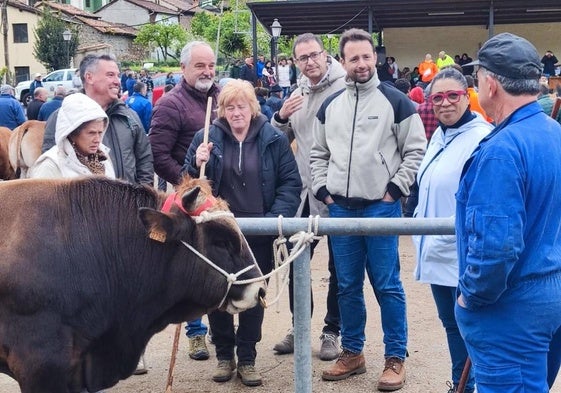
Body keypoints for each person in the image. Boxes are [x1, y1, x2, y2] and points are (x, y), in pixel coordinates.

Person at [311, 28, 426, 391]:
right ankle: (353, 352)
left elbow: (415, 150)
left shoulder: (396, 101)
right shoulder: (330, 106)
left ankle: (395, 357)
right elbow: (318, 154)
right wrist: (324, 192)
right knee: (346, 285)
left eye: (366, 56)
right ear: (342, 62)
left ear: (374, 58)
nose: (361, 63)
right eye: (353, 58)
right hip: (341, 210)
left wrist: (394, 191)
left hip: (381, 208)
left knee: (387, 283)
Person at [455, 32, 561, 393]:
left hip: (512, 307)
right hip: (547, 295)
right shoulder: (554, 133)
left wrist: (472, 295)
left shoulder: (502, 150)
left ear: (491, 83)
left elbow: (496, 248)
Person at [183, 79, 302, 386]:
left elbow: (290, 183)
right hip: (219, 233)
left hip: (259, 234)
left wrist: (274, 219)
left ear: (253, 107)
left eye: (242, 106)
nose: (236, 113)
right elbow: (189, 183)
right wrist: (197, 162)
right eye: (229, 107)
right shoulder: (206, 138)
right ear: (221, 111)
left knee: (252, 296)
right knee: (218, 294)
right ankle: (225, 356)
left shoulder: (273, 139)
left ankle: (247, 357)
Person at [412, 67, 492, 393]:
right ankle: (462, 384)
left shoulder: (482, 138)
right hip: (436, 252)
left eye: (453, 96)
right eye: (438, 98)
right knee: (451, 325)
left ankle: (470, 386)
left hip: (463, 255)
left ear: (467, 95)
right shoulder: (440, 136)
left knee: (471, 328)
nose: (445, 104)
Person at [271, 32, 346, 362]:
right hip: (304, 193)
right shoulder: (297, 90)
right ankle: (299, 324)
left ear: (325, 55)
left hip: (341, 193)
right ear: (296, 62)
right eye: (303, 58)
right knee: (294, 260)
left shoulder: (345, 87)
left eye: (314, 55)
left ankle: (332, 331)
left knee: (340, 267)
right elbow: (276, 140)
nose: (310, 61)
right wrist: (280, 117)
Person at [149, 40, 220, 360]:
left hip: (219, 196)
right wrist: (188, 183)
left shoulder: (221, 98)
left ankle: (221, 333)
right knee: (191, 264)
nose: (207, 71)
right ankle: (195, 332)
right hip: (187, 198)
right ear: (183, 69)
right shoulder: (170, 105)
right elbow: (158, 156)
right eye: (199, 66)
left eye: (211, 65)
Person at [42, 54, 154, 187]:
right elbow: (51, 170)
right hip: (80, 205)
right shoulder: (61, 118)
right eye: (110, 75)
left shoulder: (130, 116)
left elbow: (145, 160)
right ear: (89, 77)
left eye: (117, 75)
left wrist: (143, 198)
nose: (117, 81)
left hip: (127, 205)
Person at [30, 92, 114, 179]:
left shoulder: (103, 157)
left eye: (100, 133)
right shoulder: (51, 165)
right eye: (91, 133)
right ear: (73, 133)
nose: (97, 140)